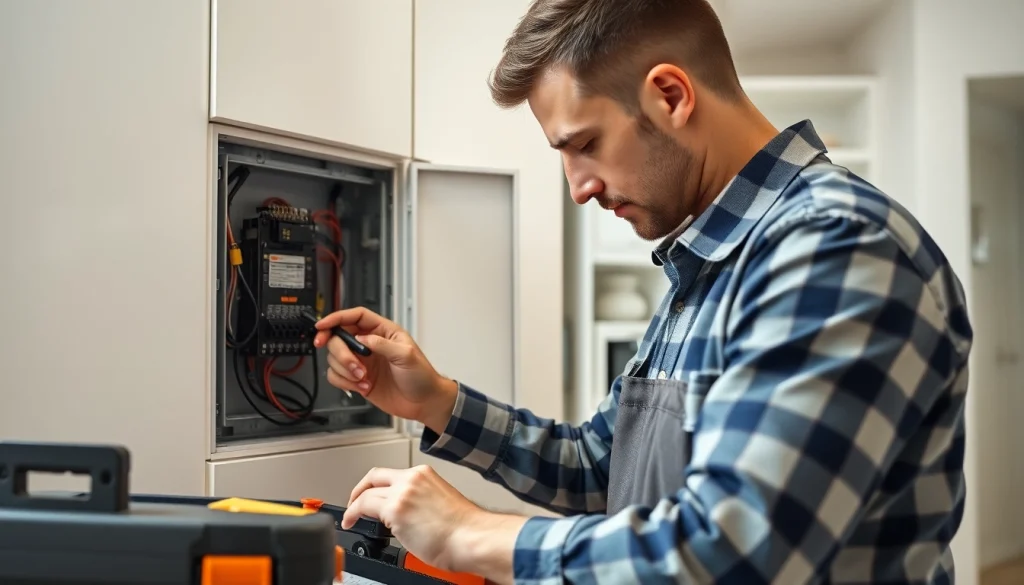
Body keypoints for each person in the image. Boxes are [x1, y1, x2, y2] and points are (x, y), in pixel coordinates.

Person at [315, 1, 973, 583]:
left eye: (586, 144)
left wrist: (471, 533)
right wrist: (436, 400)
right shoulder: (709, 264)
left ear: (669, 94)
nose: (579, 186)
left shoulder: (835, 246)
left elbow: (738, 551)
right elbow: (605, 470)